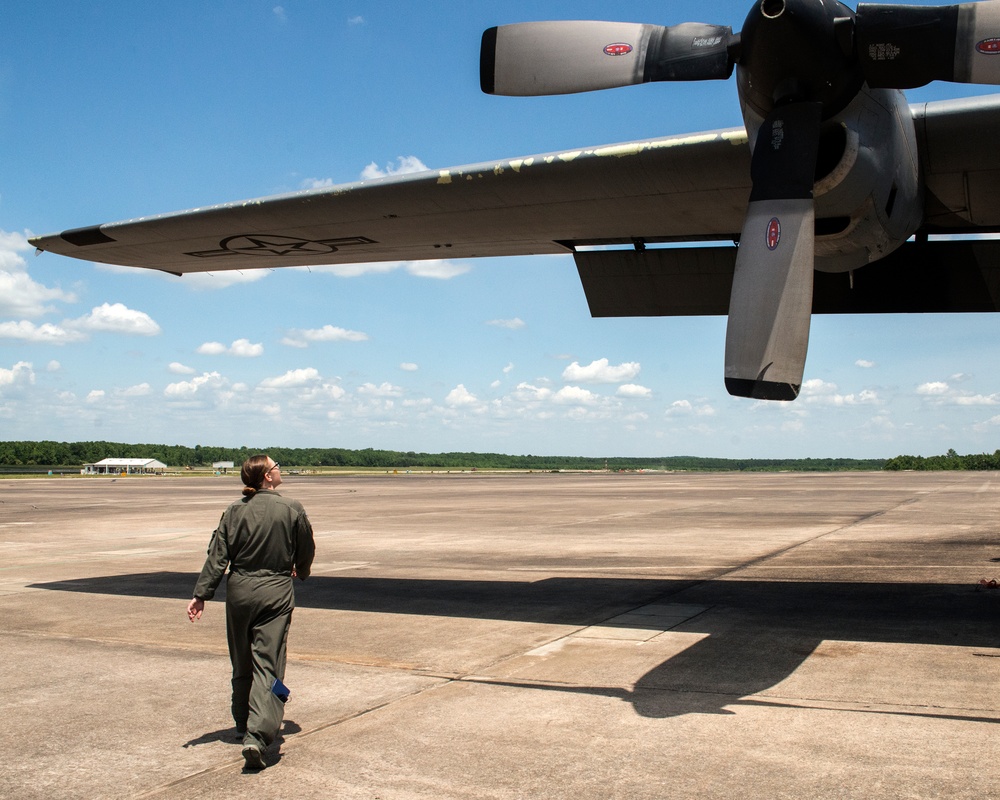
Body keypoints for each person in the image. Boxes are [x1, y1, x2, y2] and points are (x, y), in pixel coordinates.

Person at [186, 454, 315, 770]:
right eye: (275, 467)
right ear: (266, 478)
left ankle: (242, 721)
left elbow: (217, 556)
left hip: (239, 592)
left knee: (241, 658)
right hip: (275, 592)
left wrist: (201, 595)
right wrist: (302, 569)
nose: (280, 469)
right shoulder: (291, 509)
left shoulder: (233, 511)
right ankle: (257, 736)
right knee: (267, 663)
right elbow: (307, 546)